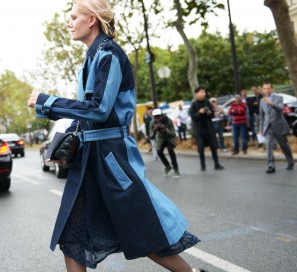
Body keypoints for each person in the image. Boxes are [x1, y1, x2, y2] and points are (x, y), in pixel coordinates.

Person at [27, 1, 206, 271]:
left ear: (92, 20)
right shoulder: (90, 58)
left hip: (112, 158)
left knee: (144, 231)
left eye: (74, 17)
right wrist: (65, 129)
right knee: (72, 236)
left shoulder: (109, 54)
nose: (69, 22)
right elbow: (89, 112)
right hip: (88, 161)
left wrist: (47, 102)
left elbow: (99, 108)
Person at [259, 82, 294, 174]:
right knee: (269, 146)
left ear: (272, 89)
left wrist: (271, 103)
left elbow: (280, 109)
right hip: (268, 127)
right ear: (263, 90)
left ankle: (290, 162)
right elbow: (262, 116)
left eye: (268, 88)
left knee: (284, 146)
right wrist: (261, 128)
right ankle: (271, 166)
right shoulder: (262, 101)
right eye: (265, 89)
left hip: (279, 126)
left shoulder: (278, 98)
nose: (266, 90)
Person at [188, 86, 224, 171]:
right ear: (196, 94)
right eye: (201, 92)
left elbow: (211, 115)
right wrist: (199, 112)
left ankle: (216, 164)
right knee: (201, 148)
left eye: (204, 92)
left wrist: (210, 112)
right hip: (199, 129)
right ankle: (203, 165)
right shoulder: (194, 104)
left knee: (213, 146)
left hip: (208, 128)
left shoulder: (207, 102)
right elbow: (193, 117)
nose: (203, 94)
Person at [150, 108, 180, 178]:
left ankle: (176, 169)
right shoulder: (152, 123)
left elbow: (173, 134)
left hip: (170, 138)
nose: (157, 118)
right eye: (155, 117)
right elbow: (151, 137)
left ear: (162, 115)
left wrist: (166, 130)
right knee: (159, 151)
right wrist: (154, 131)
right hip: (161, 138)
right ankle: (167, 166)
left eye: (159, 116)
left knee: (170, 150)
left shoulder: (168, 121)